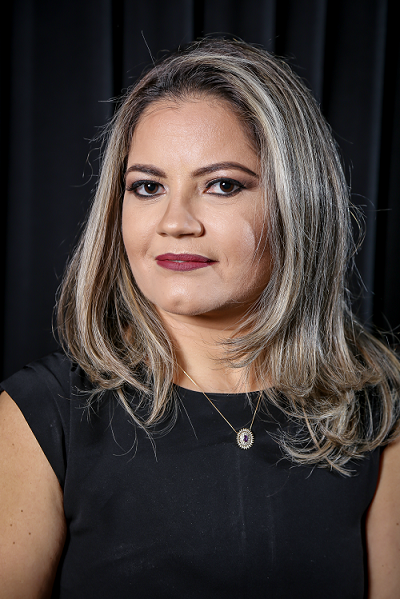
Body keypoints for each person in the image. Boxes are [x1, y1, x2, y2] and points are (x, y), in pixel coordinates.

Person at [1, 38, 399, 599]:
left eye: (222, 185)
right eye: (148, 187)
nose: (175, 222)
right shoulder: (40, 416)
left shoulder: (378, 412)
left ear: (298, 204)